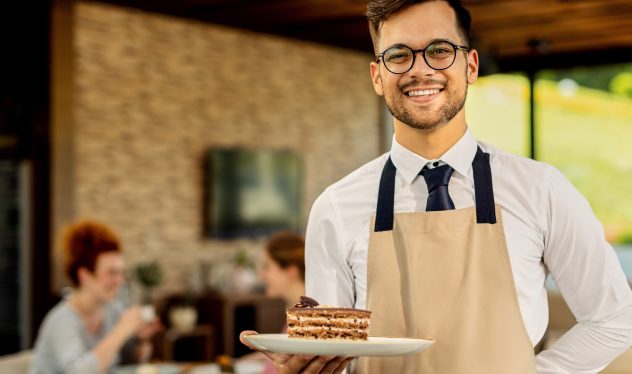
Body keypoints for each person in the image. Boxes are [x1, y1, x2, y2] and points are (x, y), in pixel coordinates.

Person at [242, 0, 632, 373]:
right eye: (398, 55)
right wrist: (307, 367)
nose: (420, 69)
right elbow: (330, 352)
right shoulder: (336, 207)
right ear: (378, 76)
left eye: (440, 50)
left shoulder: (541, 190)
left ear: (471, 66)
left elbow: (615, 318)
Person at [30, 220, 162, 374]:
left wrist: (141, 339)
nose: (120, 280)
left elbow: (129, 362)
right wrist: (121, 330)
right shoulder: (62, 321)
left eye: (121, 272)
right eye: (112, 273)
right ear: (84, 275)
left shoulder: (113, 309)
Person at [240, 232, 313, 374]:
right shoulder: (298, 310)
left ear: (291, 271)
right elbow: (285, 353)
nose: (261, 275)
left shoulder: (304, 318)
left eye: (267, 267)